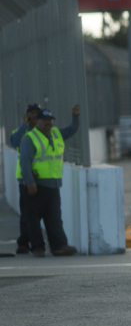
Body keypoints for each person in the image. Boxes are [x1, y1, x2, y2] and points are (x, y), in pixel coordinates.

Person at [19, 106, 81, 257]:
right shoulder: (30, 138)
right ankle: (38, 247)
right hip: (37, 185)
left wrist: (75, 117)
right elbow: (24, 162)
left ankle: (59, 246)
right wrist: (29, 181)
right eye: (45, 120)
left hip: (53, 185)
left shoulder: (56, 134)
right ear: (38, 121)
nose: (48, 123)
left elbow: (72, 129)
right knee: (33, 218)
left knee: (54, 218)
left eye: (50, 120)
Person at [8, 103, 40, 254]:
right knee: (26, 213)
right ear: (27, 115)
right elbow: (13, 141)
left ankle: (37, 243)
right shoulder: (22, 131)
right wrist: (23, 126)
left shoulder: (45, 130)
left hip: (43, 178)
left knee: (40, 213)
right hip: (25, 179)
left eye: (36, 113)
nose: (34, 116)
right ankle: (24, 243)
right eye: (31, 113)